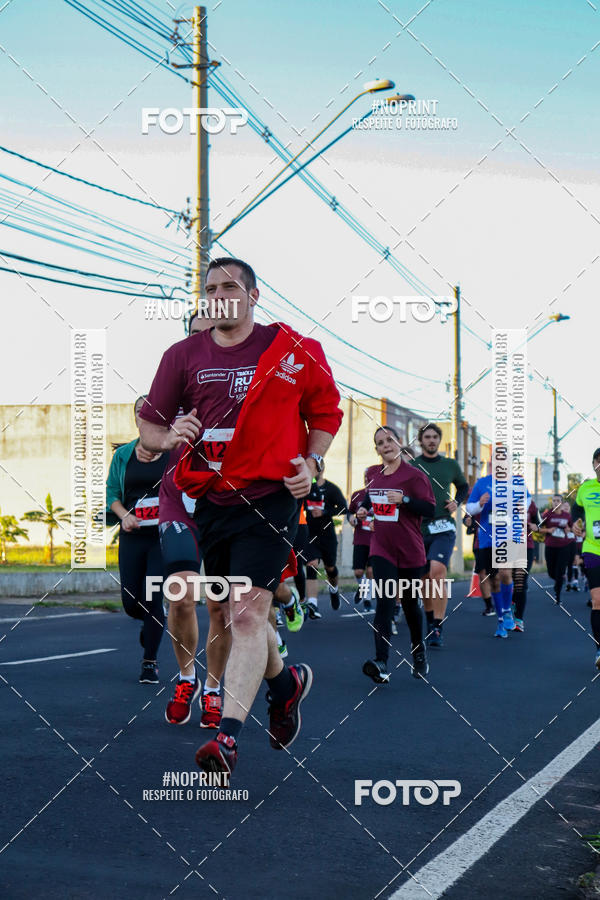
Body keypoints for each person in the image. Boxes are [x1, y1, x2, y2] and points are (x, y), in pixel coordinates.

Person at [138, 256, 343, 775]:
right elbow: (150, 427)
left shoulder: (295, 350)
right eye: (211, 288)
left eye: (231, 286)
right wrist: (169, 436)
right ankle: (284, 684)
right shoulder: (183, 355)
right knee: (232, 613)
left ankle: (227, 740)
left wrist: (312, 463)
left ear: (254, 295)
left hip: (273, 495)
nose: (220, 294)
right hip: (212, 501)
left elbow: (325, 413)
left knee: (249, 613)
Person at [160, 311, 231, 728]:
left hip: (225, 507)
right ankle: (186, 677)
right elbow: (146, 428)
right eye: (194, 333)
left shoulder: (243, 387)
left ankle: (214, 689)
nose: (203, 339)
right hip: (178, 505)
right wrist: (169, 433)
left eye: (212, 332)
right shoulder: (172, 384)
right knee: (181, 596)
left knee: (220, 609)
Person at [358, 426, 435, 684]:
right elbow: (370, 498)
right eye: (380, 443)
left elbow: (430, 509)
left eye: (389, 440)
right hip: (382, 548)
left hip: (411, 551)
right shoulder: (373, 474)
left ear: (399, 443)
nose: (386, 445)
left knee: (411, 605)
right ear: (377, 449)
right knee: (385, 602)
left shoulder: (414, 476)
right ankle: (381, 662)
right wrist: (361, 509)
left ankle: (419, 653)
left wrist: (405, 501)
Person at [106, 396, 169, 683]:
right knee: (132, 602)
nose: (143, 416)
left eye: (150, 412)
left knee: (153, 596)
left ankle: (150, 662)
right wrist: (124, 516)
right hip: (132, 535)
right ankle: (150, 621)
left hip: (162, 537)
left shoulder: (173, 452)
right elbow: (112, 495)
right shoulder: (124, 455)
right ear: (135, 418)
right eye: (138, 412)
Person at [408, 423, 469, 648]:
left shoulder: (450, 465)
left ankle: (438, 625)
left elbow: (463, 487)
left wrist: (456, 501)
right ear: (421, 441)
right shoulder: (413, 466)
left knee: (437, 570)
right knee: (424, 579)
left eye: (435, 437)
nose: (431, 440)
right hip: (418, 529)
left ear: (439, 440)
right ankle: (430, 623)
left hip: (443, 525)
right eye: (427, 437)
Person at [466, 470, 529, 638]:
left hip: (508, 537)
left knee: (505, 573)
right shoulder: (482, 483)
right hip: (487, 539)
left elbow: (527, 499)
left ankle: (508, 611)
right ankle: (501, 620)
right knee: (493, 580)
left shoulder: (516, 482)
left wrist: (522, 506)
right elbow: (469, 508)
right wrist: (480, 503)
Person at [571, 448, 600, 668]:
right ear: (594, 464)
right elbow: (576, 510)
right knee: (598, 600)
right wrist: (576, 523)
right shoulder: (585, 488)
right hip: (592, 548)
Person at [304, 468, 347, 616]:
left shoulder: (331, 489)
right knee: (312, 565)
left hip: (327, 536)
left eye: (316, 467)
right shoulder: (306, 488)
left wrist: (325, 512)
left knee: (330, 568)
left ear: (321, 469)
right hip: (310, 535)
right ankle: (313, 604)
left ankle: (334, 590)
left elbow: (343, 508)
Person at [511, 497, 540, 632]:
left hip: (526, 546)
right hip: (507, 546)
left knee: (520, 581)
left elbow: (538, 523)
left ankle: (518, 619)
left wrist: (536, 527)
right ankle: (508, 611)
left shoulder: (531, 504)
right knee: (508, 581)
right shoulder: (502, 500)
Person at [348, 471, 374, 611]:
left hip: (376, 540)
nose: (367, 480)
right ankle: (363, 588)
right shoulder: (357, 494)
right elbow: (349, 511)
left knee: (370, 571)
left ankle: (367, 600)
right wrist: (351, 518)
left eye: (369, 478)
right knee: (358, 572)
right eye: (365, 478)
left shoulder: (380, 494)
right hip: (360, 539)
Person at [540, 494, 573, 605]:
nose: (555, 502)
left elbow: (572, 528)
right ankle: (559, 580)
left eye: (558, 500)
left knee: (559, 572)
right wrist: (548, 530)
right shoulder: (547, 514)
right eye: (554, 501)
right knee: (551, 572)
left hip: (563, 547)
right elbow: (537, 528)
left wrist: (569, 529)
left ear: (561, 503)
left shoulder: (567, 516)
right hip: (550, 546)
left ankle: (558, 596)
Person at [464, 511, 495, 616]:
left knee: (498, 576)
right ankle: (489, 606)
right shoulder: (477, 499)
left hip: (500, 542)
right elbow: (467, 517)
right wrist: (467, 521)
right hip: (480, 543)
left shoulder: (502, 498)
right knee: (482, 574)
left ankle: (504, 604)